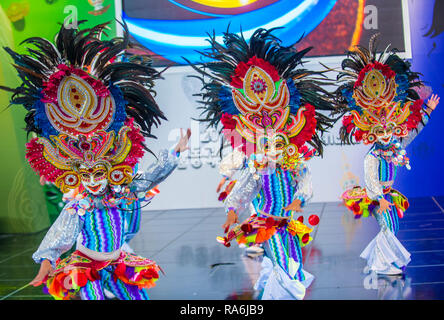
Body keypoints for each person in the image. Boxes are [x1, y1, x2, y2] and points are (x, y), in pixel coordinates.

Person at [1, 21, 191, 300]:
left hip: (117, 261)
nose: (91, 181)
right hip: (86, 265)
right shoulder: (79, 205)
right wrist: (45, 266)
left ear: (110, 170)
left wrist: (176, 150)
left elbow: (152, 176)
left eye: (97, 173)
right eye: (85, 176)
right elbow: (58, 238)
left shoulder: (122, 192)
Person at [189, 28, 337, 299]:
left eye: (277, 144)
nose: (271, 150)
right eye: (266, 145)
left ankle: (281, 287)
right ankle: (282, 292)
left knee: (294, 261)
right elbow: (243, 187)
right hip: (267, 219)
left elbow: (306, 180)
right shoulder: (256, 166)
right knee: (283, 261)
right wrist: (232, 210)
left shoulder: (292, 162)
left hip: (289, 218)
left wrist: (300, 200)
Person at [337, 35, 440, 275]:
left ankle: (382, 260)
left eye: (389, 130)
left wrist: (427, 110)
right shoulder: (373, 155)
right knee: (388, 227)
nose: (386, 135)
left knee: (392, 227)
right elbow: (370, 176)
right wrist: (378, 198)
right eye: (380, 131)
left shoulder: (395, 143)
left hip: (388, 193)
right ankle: (382, 264)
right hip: (378, 196)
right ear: (372, 132)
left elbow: (414, 131)